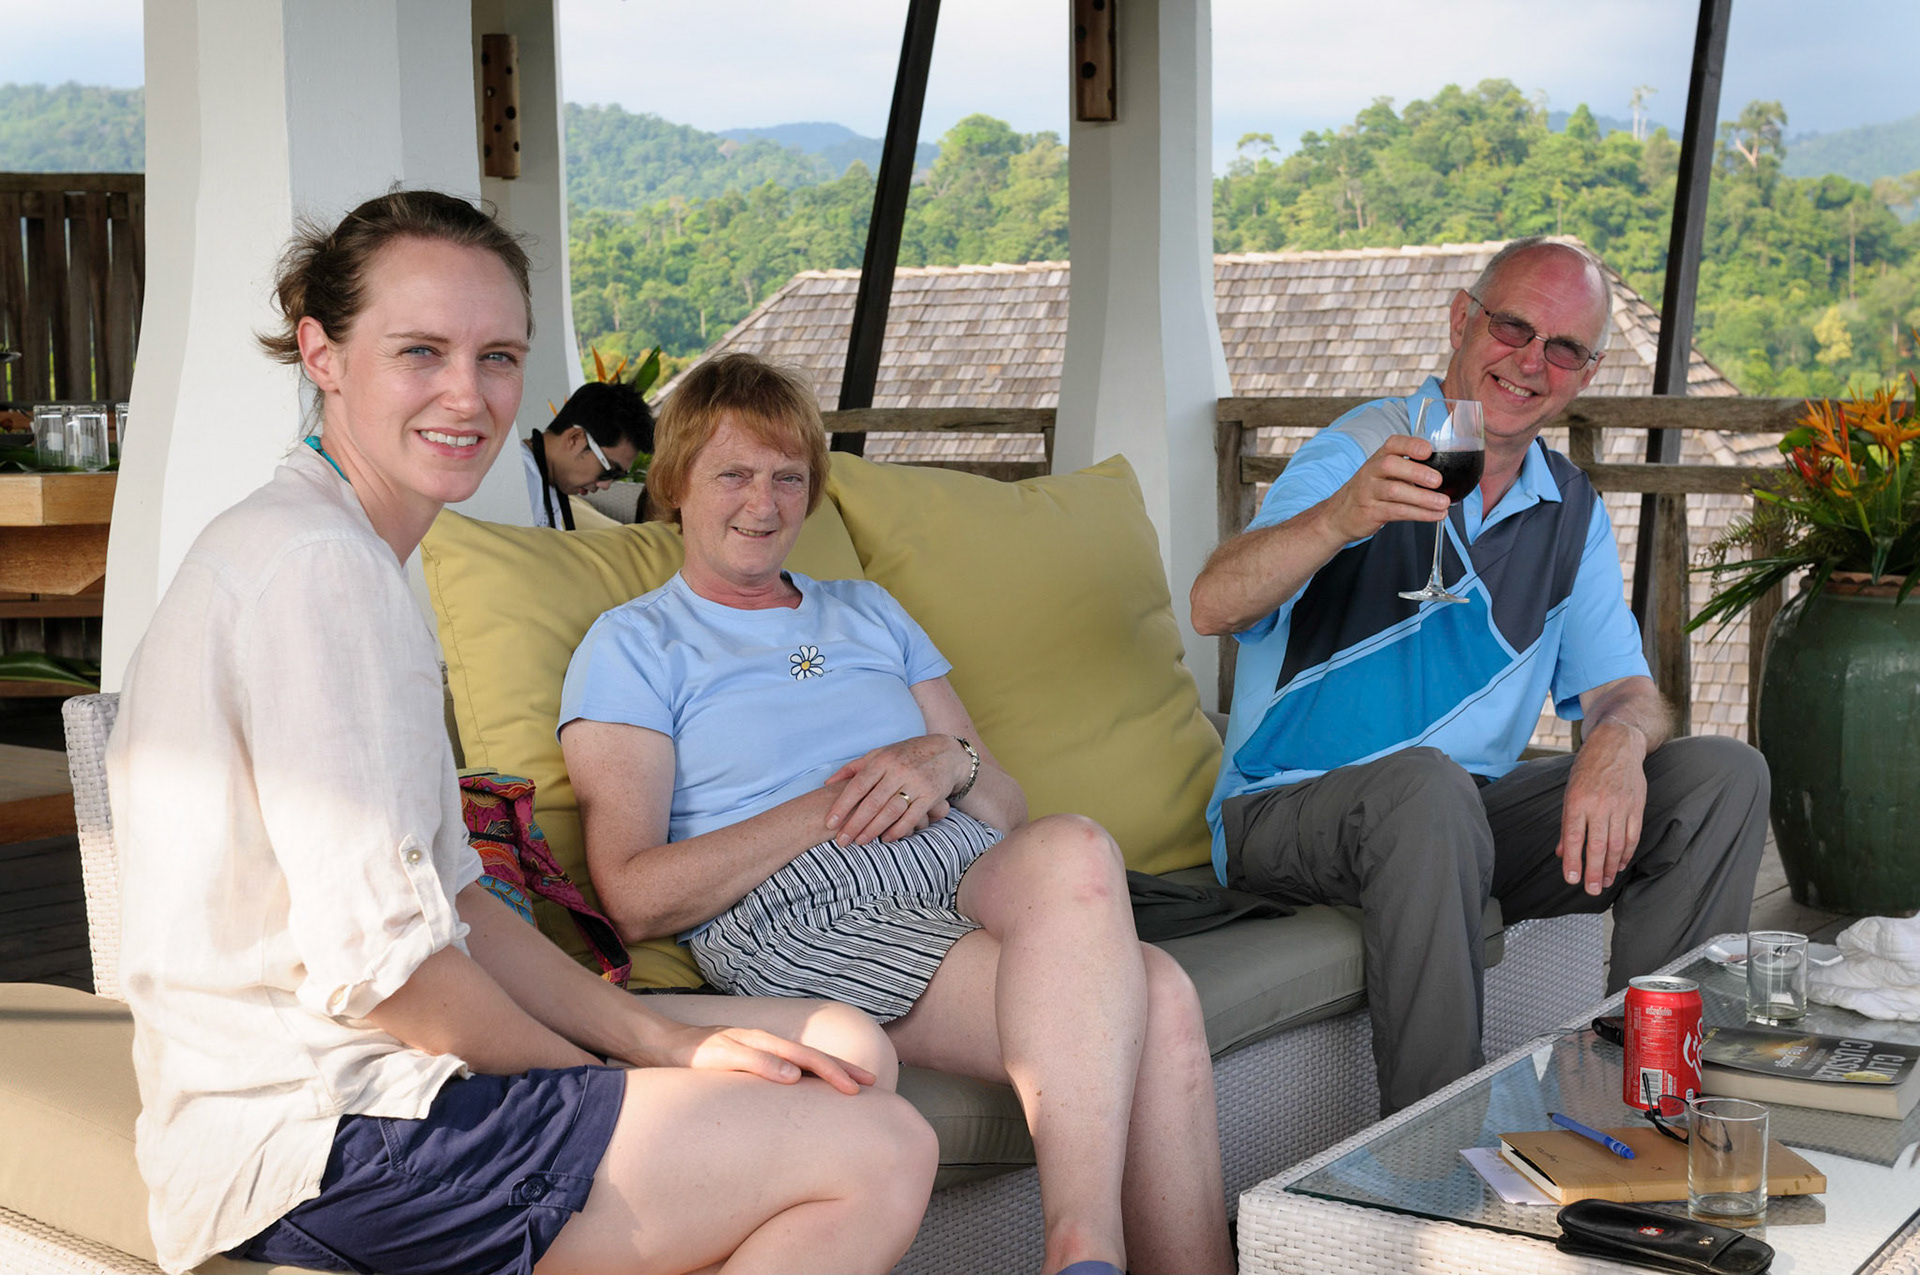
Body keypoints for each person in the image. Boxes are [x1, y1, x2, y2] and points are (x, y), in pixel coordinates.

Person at [107, 190, 937, 1275]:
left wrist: (662, 1038)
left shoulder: (343, 551)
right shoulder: (318, 570)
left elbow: (452, 899)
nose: (469, 394)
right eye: (420, 351)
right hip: (324, 1135)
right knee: (875, 1146)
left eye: (498, 356)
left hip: (366, 1091)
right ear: (323, 352)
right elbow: (396, 978)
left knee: (841, 1045)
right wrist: (612, 1083)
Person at [560, 352, 1234, 1275]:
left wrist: (941, 758)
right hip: (805, 910)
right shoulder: (635, 644)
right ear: (676, 484)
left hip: (958, 867)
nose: (764, 503)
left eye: (788, 477)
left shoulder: (868, 610)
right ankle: (1085, 1250)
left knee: (1076, 841)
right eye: (734, 474)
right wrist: (827, 805)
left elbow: (1001, 803)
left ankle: (1087, 1259)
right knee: (1156, 996)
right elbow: (634, 896)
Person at [1190, 236, 1768, 1115]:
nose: (1531, 362)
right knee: (1428, 790)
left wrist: (1615, 736)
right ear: (1464, 320)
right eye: (1513, 327)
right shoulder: (1364, 448)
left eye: (1563, 348)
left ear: (1587, 370)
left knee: (1723, 775)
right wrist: (1340, 518)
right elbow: (1212, 603)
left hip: (1458, 815)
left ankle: (1652, 1106)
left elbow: (1629, 689)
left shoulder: (1568, 506)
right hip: (1284, 808)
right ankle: (1431, 1160)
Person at [522, 379, 652, 528]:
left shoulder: (548, 480)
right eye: (608, 471)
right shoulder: (521, 477)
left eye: (618, 476)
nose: (605, 485)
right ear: (575, 438)